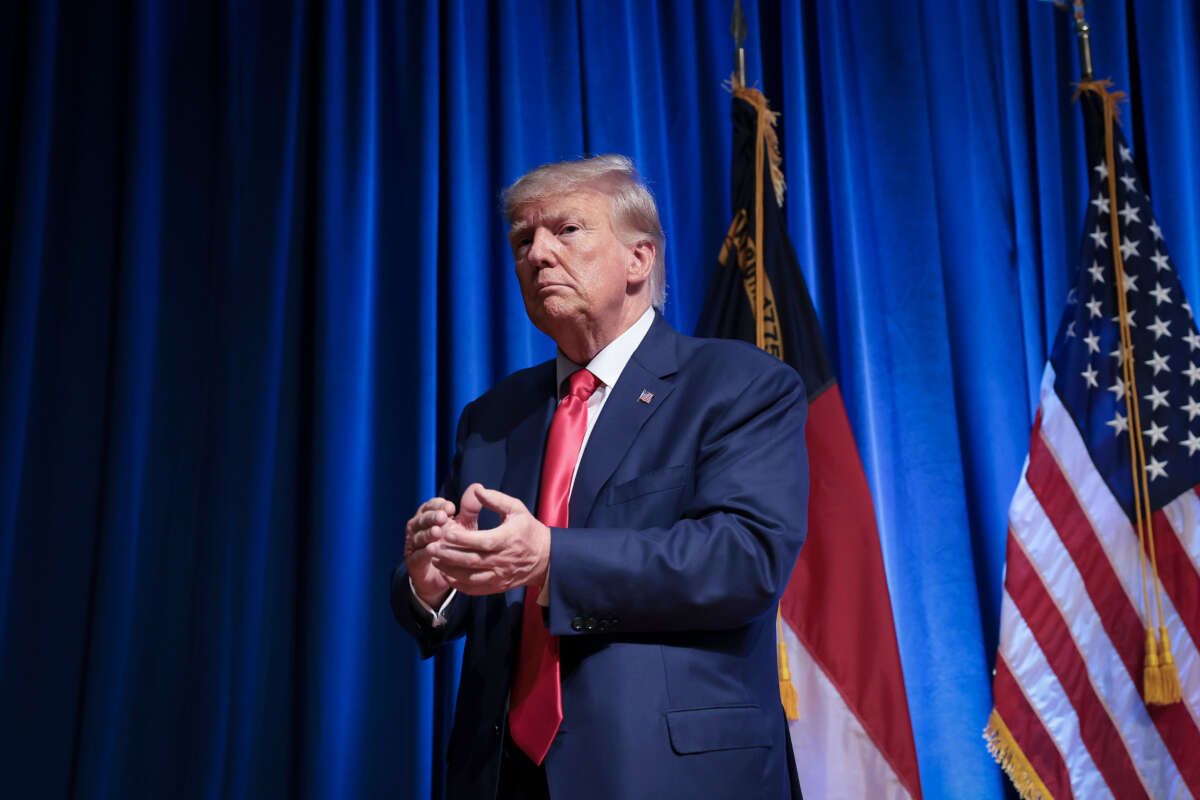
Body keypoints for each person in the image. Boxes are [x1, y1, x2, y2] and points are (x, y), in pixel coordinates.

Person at [391, 155, 808, 799]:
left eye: (566, 230)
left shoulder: (738, 385)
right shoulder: (493, 416)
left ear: (639, 259)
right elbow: (474, 597)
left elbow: (743, 558)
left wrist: (551, 557)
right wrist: (434, 582)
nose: (537, 254)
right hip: (501, 778)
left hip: (670, 775)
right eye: (523, 240)